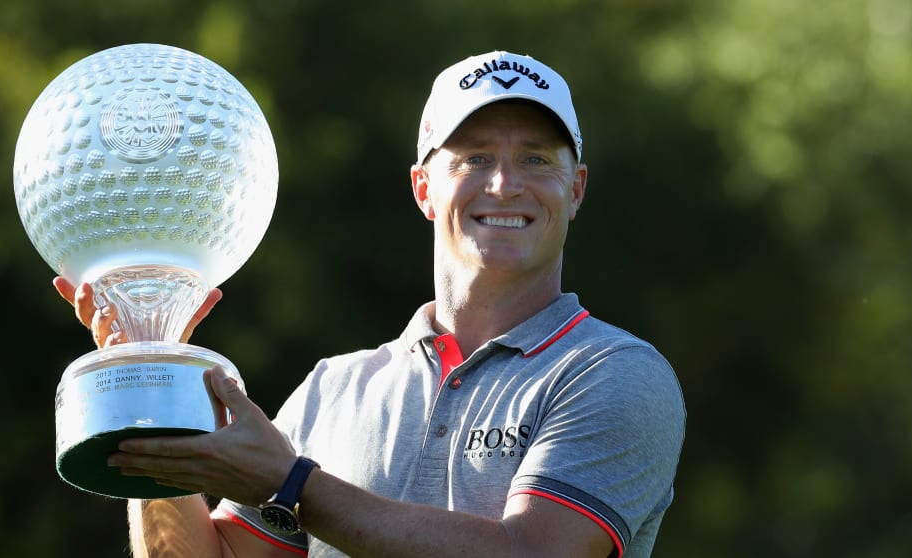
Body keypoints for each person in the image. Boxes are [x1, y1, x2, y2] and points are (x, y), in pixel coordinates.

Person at [54, 50, 685, 558]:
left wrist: (292, 484)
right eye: (474, 157)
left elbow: (531, 553)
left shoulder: (614, 373)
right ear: (423, 188)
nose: (505, 183)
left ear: (575, 190)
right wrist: (149, 389)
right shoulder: (335, 387)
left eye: (536, 159)